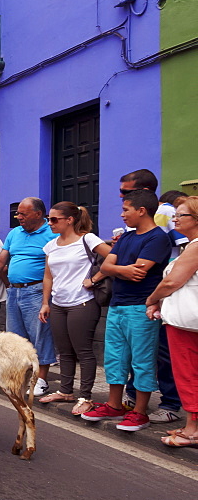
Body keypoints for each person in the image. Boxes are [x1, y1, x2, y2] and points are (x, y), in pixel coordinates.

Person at [82, 190, 170, 431]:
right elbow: (109, 265)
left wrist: (115, 268)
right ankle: (114, 404)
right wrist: (122, 270)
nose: (122, 215)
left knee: (142, 360)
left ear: (142, 211)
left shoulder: (158, 238)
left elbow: (140, 269)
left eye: (126, 210)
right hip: (117, 305)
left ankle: (140, 412)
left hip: (141, 307)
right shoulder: (128, 238)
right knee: (115, 358)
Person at [119, 170, 183, 424]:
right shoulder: (134, 219)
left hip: (164, 290)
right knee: (140, 349)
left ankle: (170, 403)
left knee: (162, 351)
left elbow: (182, 246)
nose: (121, 196)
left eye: (125, 191)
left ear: (145, 193)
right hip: (147, 291)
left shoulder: (165, 211)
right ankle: (134, 396)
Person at [37, 203, 112, 414]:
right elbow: (48, 276)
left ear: (69, 220)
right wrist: (45, 303)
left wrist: (95, 278)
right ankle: (66, 391)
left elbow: (114, 257)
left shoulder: (87, 239)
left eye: (54, 219)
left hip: (83, 302)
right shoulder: (51, 245)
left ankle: (85, 396)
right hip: (58, 303)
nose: (49, 223)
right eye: (48, 219)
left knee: (84, 351)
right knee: (64, 351)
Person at [0, 198, 58, 396]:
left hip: (37, 290)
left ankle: (41, 379)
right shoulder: (15, 233)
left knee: (40, 334)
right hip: (14, 291)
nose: (18, 217)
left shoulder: (52, 233)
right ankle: (21, 376)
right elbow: (1, 260)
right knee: (15, 337)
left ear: (38, 214)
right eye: (18, 214)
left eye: (23, 214)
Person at [146, 195, 198, 447]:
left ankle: (192, 430)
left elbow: (171, 282)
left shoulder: (196, 246)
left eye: (181, 215)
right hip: (186, 320)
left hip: (186, 323)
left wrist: (152, 299)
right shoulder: (190, 246)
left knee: (188, 374)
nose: (175, 218)